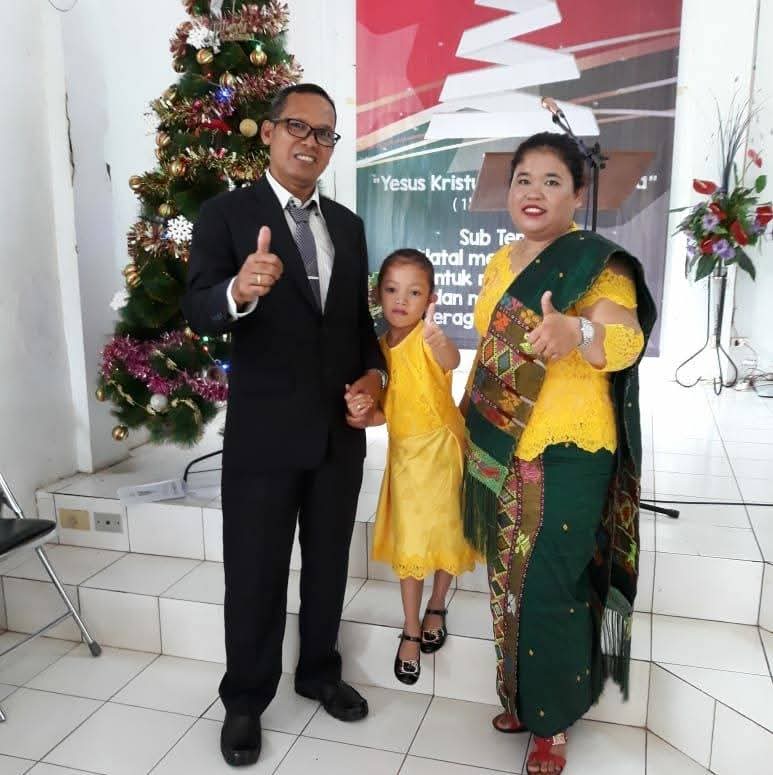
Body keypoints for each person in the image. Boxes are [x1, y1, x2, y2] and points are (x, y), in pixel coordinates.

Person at [183, 83, 387, 767]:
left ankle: (319, 671)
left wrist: (374, 378)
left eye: (324, 133)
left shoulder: (348, 226)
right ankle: (245, 699)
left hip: (337, 434)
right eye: (298, 126)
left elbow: (358, 326)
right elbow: (198, 307)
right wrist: (238, 290)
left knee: (328, 564)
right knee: (255, 571)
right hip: (264, 435)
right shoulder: (225, 214)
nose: (310, 142)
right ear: (269, 133)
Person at [460, 132, 656, 774]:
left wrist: (580, 329)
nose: (534, 192)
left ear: (578, 193)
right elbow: (491, 350)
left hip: (570, 450)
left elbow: (624, 341)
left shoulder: (599, 265)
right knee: (507, 583)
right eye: (524, 179)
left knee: (551, 585)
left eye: (552, 181)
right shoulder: (501, 263)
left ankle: (554, 721)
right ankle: (521, 696)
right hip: (504, 447)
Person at [347, 250, 478, 685]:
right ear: (378, 294)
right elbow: (387, 410)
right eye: (392, 290)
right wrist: (365, 415)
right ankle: (410, 627)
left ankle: (437, 604)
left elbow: (450, 361)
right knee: (410, 545)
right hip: (406, 460)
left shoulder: (428, 337)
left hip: (444, 452)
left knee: (447, 534)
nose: (401, 300)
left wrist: (440, 341)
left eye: (414, 292)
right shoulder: (379, 350)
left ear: (430, 299)